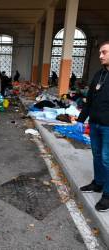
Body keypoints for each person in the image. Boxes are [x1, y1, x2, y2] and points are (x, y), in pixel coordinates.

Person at [77, 41, 109, 212]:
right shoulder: (99, 74)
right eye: (100, 52)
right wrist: (81, 120)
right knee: (97, 155)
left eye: (104, 52)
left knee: (107, 159)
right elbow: (89, 101)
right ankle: (98, 183)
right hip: (95, 124)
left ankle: (108, 195)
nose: (100, 56)